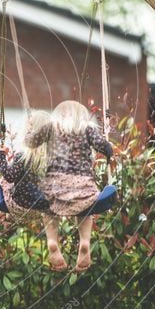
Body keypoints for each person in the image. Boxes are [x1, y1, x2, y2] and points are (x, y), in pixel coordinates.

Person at [25, 100, 114, 272]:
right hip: (83, 184)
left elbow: (30, 142)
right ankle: (85, 242)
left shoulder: (50, 126)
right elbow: (104, 147)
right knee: (86, 208)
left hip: (54, 184)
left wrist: (30, 129)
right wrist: (108, 143)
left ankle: (52, 241)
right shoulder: (87, 128)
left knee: (48, 208)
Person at [0, 111, 52, 216]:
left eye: (30, 126)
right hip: (43, 208)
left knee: (5, 182)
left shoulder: (23, 157)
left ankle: (7, 221)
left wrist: (1, 155)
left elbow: (9, 176)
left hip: (21, 206)